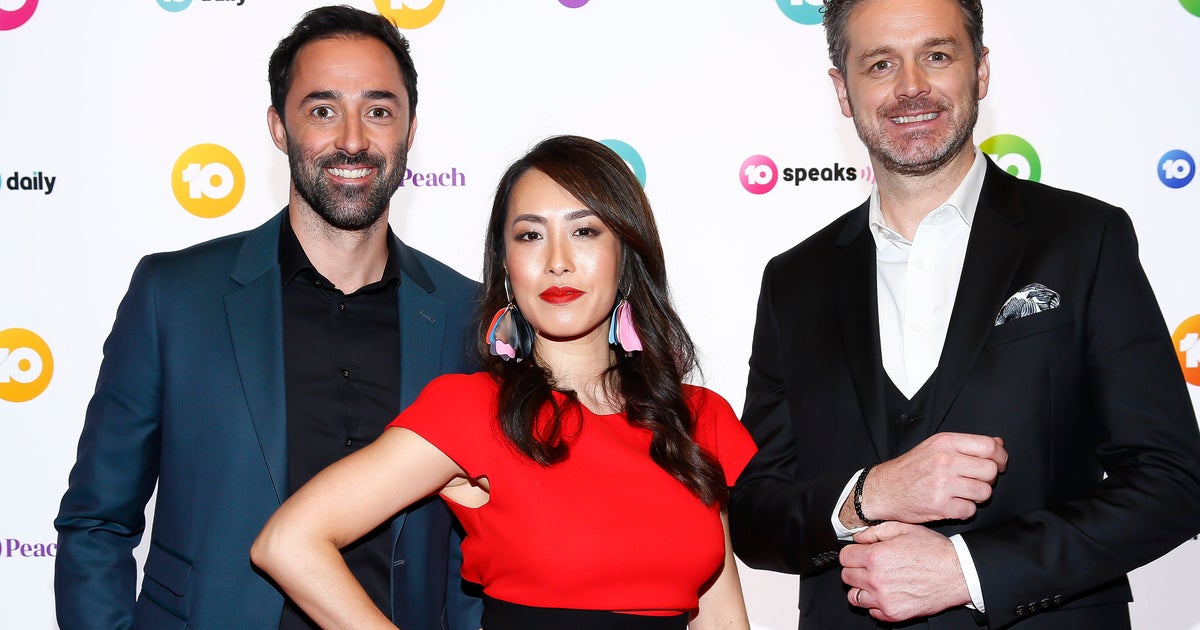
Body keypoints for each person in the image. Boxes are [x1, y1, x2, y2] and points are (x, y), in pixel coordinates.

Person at [727, 0, 1200, 628]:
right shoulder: (795, 280)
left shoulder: (1084, 239)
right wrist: (869, 495)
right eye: (880, 64)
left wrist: (972, 570)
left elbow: (1173, 481)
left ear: (980, 70)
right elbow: (755, 518)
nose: (910, 86)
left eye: (937, 55)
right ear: (843, 90)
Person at [54, 6, 482, 629]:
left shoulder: (468, 316)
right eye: (323, 110)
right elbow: (97, 521)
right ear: (279, 128)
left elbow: (478, 549)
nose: (353, 140)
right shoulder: (174, 297)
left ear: (411, 129)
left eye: (379, 110)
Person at [251, 134, 757, 630]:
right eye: (530, 236)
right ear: (507, 266)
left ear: (626, 254)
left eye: (585, 231)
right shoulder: (472, 409)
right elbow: (289, 542)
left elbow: (721, 617)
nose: (557, 261)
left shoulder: (698, 417)